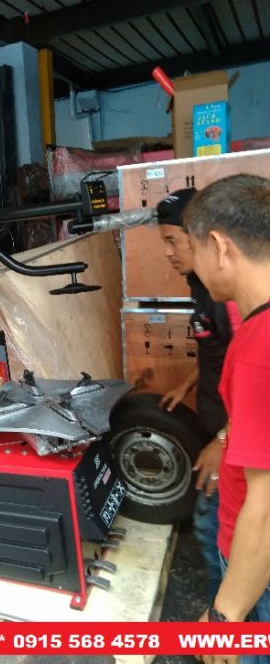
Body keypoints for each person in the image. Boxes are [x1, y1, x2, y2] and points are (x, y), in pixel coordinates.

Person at [184, 174, 270, 664]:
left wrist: (226, 615)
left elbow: (268, 502)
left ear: (219, 246)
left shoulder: (259, 345)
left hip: (258, 569)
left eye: (193, 248)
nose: (194, 265)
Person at [156, 188, 236, 602]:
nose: (167, 253)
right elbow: (216, 350)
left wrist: (224, 439)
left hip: (238, 439)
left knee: (213, 530)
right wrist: (187, 383)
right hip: (222, 428)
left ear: (201, 236)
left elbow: (258, 376)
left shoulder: (228, 298)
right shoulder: (200, 285)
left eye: (173, 241)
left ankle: (228, 619)